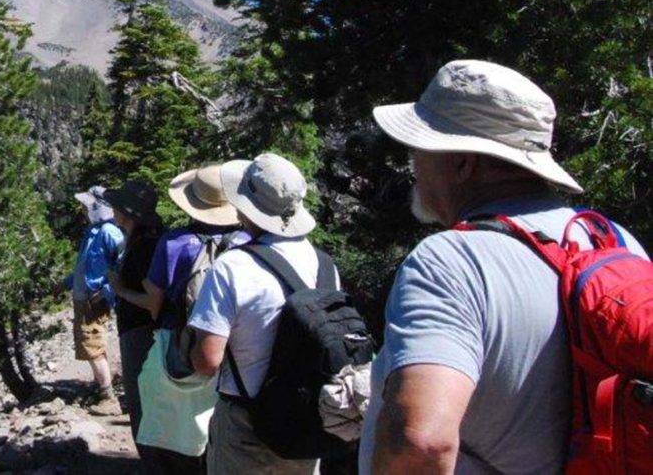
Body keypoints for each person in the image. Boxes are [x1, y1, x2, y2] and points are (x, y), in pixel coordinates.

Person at [362, 59, 648, 473]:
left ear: (462, 163)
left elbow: (423, 441)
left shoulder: (450, 260)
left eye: (421, 150)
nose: (414, 167)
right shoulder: (616, 242)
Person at [187, 152, 329, 475]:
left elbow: (207, 361)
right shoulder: (324, 265)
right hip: (305, 427)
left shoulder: (232, 266)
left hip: (245, 425)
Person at [133, 162, 249, 474]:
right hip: (235, 347)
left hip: (178, 340)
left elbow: (154, 304)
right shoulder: (247, 244)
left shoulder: (174, 242)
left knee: (171, 425)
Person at [103, 180, 163, 439]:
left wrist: (119, 290)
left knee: (142, 405)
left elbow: (153, 301)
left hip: (141, 335)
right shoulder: (146, 240)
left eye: (116, 206)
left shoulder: (143, 246)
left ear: (127, 213)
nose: (112, 210)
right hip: (148, 333)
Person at [64, 184, 125, 415]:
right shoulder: (92, 232)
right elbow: (84, 268)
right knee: (92, 345)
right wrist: (66, 282)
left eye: (86, 206)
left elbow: (124, 266)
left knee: (92, 346)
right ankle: (103, 386)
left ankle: (108, 397)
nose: (82, 210)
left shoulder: (110, 232)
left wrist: (107, 292)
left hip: (94, 300)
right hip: (84, 298)